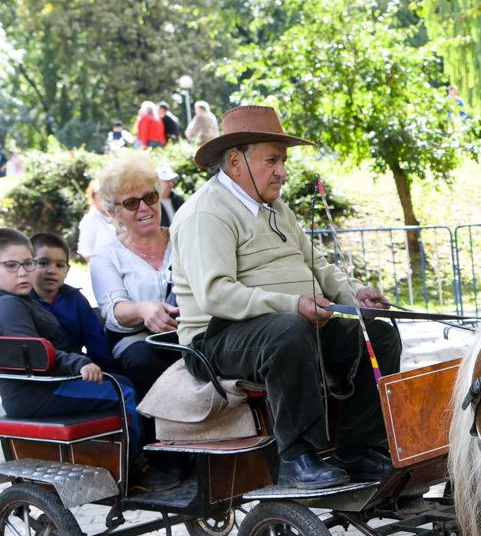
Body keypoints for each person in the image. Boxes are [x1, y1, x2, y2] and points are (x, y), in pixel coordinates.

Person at [170, 105, 399, 491]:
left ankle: (359, 449)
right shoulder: (205, 213)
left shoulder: (277, 209)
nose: (282, 170)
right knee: (288, 331)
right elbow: (215, 295)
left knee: (379, 333)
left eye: (283, 160)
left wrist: (354, 293)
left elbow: (320, 266)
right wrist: (293, 304)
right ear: (235, 161)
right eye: (272, 160)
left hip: (291, 325)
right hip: (216, 337)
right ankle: (297, 457)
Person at [0, 229, 172, 488]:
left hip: (43, 384)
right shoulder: (8, 307)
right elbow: (35, 353)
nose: (22, 272)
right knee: (121, 392)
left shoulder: (18, 300)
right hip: (36, 393)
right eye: (11, 266)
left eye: (27, 263)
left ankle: (138, 453)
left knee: (120, 382)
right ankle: (135, 468)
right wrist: (78, 363)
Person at [87, 150, 179, 398]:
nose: (144, 207)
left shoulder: (184, 239)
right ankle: (161, 433)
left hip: (189, 333)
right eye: (130, 203)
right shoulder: (106, 256)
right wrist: (144, 309)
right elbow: (114, 310)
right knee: (145, 361)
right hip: (137, 342)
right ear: (114, 213)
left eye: (150, 197)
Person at [29, 233, 116, 372]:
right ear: (28, 264)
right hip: (43, 377)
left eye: (60, 265)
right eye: (43, 263)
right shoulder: (23, 303)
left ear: (67, 270)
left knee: (123, 385)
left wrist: (109, 375)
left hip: (79, 369)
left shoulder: (76, 300)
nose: (52, 271)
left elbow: (96, 342)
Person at [76, 180, 113, 260]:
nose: (104, 198)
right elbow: (85, 249)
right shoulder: (90, 219)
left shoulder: (116, 217)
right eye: (101, 194)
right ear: (93, 198)